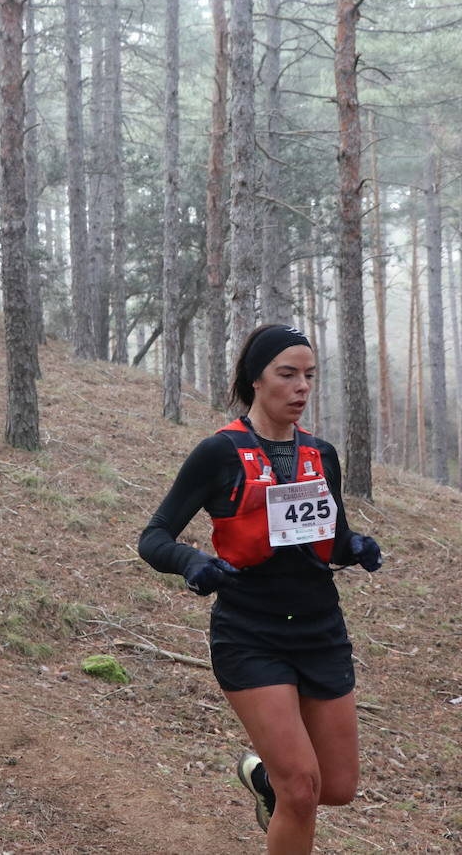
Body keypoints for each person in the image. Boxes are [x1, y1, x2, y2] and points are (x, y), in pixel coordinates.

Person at [138, 323, 383, 855]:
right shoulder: (219, 452)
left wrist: (356, 547)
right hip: (251, 633)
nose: (301, 388)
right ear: (256, 379)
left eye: (309, 376)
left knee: (336, 788)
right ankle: (282, 787)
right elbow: (153, 538)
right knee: (303, 788)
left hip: (321, 631)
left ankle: (263, 780)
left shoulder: (322, 454)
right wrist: (192, 562)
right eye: (287, 374)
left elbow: (331, 540)